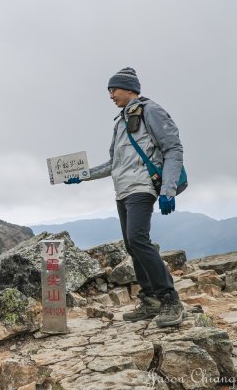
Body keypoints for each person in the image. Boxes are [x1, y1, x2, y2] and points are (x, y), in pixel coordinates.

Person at [65, 67, 185, 327]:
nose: (110, 96)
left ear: (129, 88)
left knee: (137, 239)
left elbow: (173, 148)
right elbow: (114, 163)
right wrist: (82, 175)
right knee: (132, 245)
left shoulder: (151, 111)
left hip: (142, 187)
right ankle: (151, 299)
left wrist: (168, 189)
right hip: (123, 190)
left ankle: (170, 299)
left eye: (113, 89)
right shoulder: (121, 121)